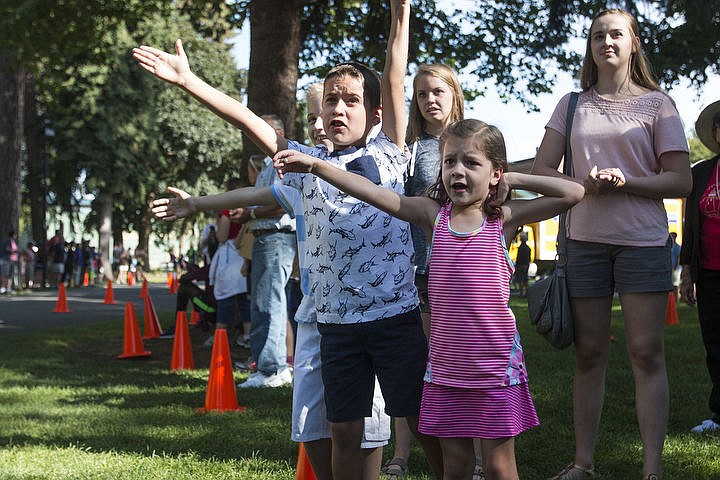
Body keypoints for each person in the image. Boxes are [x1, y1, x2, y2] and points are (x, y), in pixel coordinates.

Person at [136, 3, 432, 478]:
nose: (338, 108)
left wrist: (401, 12)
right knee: (341, 434)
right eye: (331, 99)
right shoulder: (302, 165)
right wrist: (190, 82)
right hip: (336, 326)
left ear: (376, 112)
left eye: (351, 100)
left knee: (423, 425)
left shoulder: (390, 151)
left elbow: (394, 72)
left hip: (395, 318)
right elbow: (247, 121)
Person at [274, 118, 585, 480]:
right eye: (450, 161)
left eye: (471, 163)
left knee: (500, 466)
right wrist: (317, 166)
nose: (457, 171)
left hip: (495, 369)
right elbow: (374, 193)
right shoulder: (432, 216)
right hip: (446, 371)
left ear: (494, 173)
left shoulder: (503, 219)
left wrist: (515, 178)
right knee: (456, 466)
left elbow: (573, 193)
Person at [531, 9, 692, 480]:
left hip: (642, 242)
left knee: (646, 352)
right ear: (591, 46)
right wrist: (583, 183)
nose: (607, 41)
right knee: (590, 353)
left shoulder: (658, 105)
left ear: (633, 42)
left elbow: (680, 180)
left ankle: (651, 469)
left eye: (616, 33)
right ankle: (583, 463)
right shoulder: (572, 104)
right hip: (583, 242)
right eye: (598, 34)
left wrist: (626, 182)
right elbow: (543, 171)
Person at [385, 62, 465, 480]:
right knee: (415, 366)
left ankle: (479, 457)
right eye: (421, 94)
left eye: (438, 91)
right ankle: (402, 452)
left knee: (461, 364)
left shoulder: (474, 140)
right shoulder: (410, 148)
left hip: (464, 273)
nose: (430, 100)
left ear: (454, 93)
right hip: (416, 271)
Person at [680, 99, 720, 434]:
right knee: (715, 344)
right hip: (709, 273)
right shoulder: (701, 173)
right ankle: (719, 415)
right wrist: (687, 271)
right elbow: (690, 225)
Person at [514, 233, 531, 298]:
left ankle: (521, 293)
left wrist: (517, 265)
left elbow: (519, 257)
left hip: (520, 265)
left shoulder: (521, 248)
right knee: (525, 279)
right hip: (526, 265)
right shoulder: (528, 248)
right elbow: (529, 258)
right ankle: (526, 293)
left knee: (520, 279)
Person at [669, 232, 681, 304]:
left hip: (675, 269)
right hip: (670, 268)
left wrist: (676, 266)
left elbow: (678, 257)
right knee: (670, 285)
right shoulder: (669, 247)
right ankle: (671, 301)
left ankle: (676, 300)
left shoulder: (677, 247)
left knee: (675, 285)